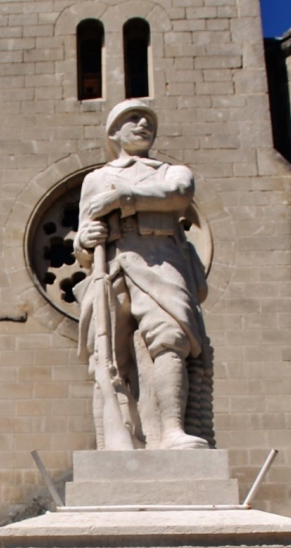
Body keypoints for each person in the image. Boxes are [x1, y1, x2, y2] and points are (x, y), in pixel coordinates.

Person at [73, 100, 212, 450]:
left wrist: (123, 198)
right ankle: (113, 441)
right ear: (114, 132)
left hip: (160, 258)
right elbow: (82, 237)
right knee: (108, 357)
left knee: (170, 339)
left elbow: (178, 196)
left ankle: (171, 430)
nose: (142, 124)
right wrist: (84, 240)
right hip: (113, 263)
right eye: (132, 119)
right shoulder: (96, 178)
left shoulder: (171, 171)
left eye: (148, 119)